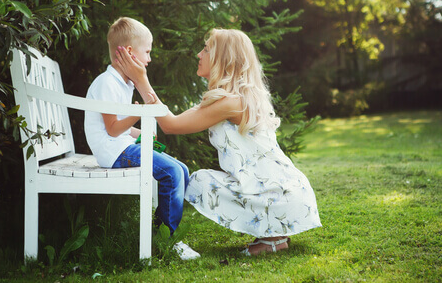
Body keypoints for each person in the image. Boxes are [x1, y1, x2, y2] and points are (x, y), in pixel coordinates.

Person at [113, 28, 321, 256]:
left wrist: (141, 79)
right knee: (198, 179)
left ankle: (274, 236)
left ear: (224, 59)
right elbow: (171, 120)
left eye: (206, 49)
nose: (199, 54)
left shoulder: (231, 103)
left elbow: (169, 126)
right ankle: (272, 233)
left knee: (200, 182)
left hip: (282, 194)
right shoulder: (226, 98)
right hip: (286, 190)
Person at [84, 17, 199, 260]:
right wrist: (139, 114)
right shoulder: (106, 83)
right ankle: (166, 240)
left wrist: (141, 131)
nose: (149, 58)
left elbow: (120, 128)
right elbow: (113, 129)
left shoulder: (122, 83)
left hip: (120, 145)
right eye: (146, 51)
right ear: (128, 52)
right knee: (171, 173)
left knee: (181, 169)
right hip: (112, 151)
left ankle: (164, 232)